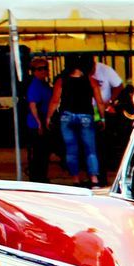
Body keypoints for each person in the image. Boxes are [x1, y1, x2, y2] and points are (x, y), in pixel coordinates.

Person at [47, 55, 105, 187]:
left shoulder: (61, 81)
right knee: (90, 149)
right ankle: (94, 178)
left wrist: (48, 117)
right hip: (86, 116)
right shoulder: (91, 81)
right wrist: (102, 118)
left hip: (66, 117)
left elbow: (55, 101)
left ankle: (75, 178)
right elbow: (99, 102)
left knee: (71, 149)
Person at [22, 56, 53, 183]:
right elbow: (33, 104)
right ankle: (37, 177)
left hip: (43, 120)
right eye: (40, 69)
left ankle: (41, 176)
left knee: (44, 152)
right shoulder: (35, 85)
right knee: (39, 152)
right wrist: (39, 123)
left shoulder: (44, 84)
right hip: (36, 123)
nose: (43, 71)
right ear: (33, 71)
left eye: (45, 68)